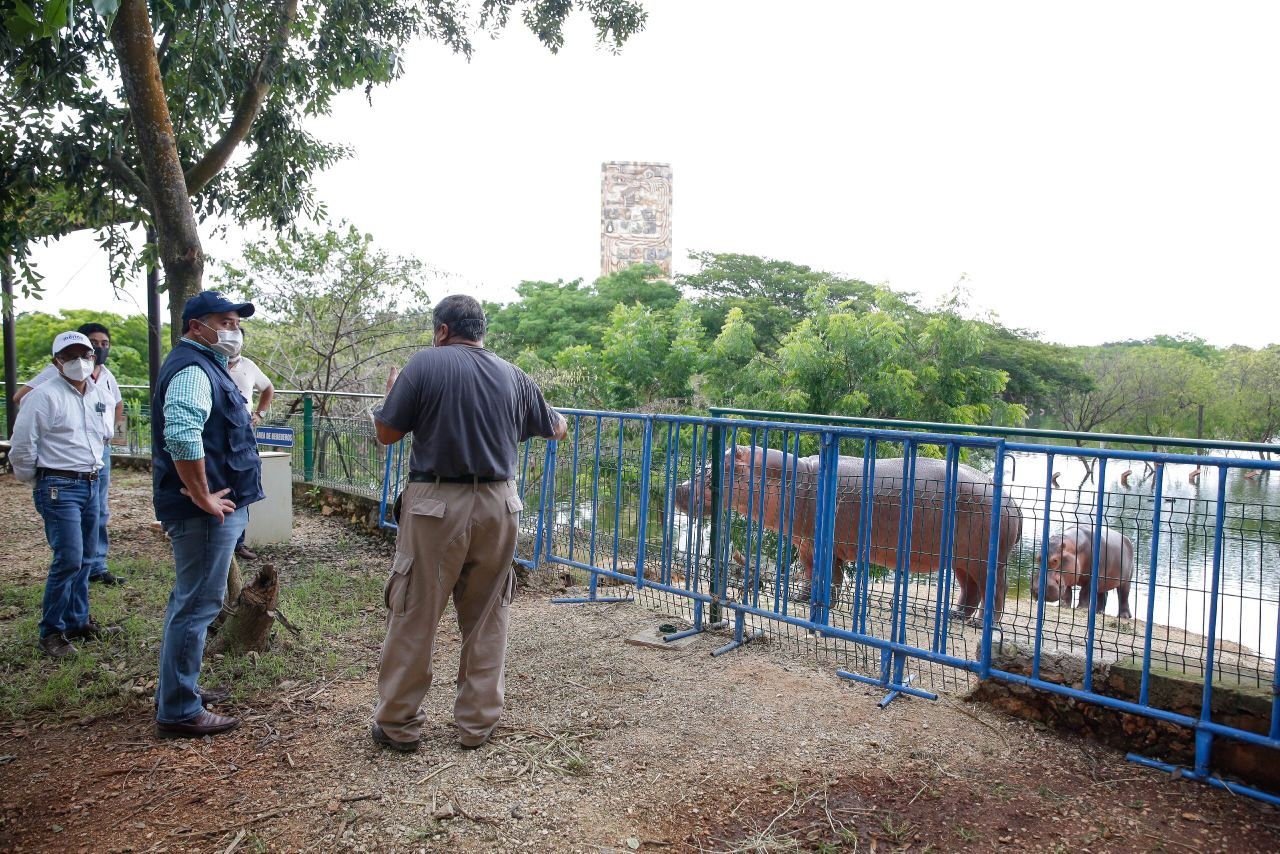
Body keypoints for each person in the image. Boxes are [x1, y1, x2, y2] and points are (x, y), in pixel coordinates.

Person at [369, 294, 568, 753]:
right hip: (501, 504)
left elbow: (387, 433)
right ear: (481, 331)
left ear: (442, 330)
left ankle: (399, 724)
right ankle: (477, 725)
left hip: (436, 505)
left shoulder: (424, 364)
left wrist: (392, 394)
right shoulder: (514, 375)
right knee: (488, 615)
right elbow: (556, 428)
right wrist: (535, 414)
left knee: (415, 611)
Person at [151, 291, 264, 739]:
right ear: (196, 326)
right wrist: (202, 496)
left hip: (209, 511)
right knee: (197, 604)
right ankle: (179, 709)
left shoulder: (207, 365)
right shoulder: (193, 369)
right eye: (225, 322)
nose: (234, 330)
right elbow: (182, 434)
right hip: (203, 516)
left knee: (193, 601)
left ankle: (180, 690)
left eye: (236, 323)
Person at [9, 331, 121, 658]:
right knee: (69, 557)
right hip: (59, 485)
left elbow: (104, 434)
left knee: (86, 556)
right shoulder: (44, 396)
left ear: (92, 357)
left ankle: (77, 621)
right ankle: (51, 631)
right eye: (69, 356)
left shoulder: (99, 393)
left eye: (83, 355)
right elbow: (22, 445)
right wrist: (37, 480)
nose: (78, 362)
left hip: (90, 482)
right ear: (56, 362)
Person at [15, 322, 126, 585]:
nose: (98, 349)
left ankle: (96, 565)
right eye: (94, 343)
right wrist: (35, 474)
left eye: (103, 344)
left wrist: (107, 436)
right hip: (60, 471)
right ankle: (70, 579)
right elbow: (23, 405)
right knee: (69, 551)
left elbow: (116, 404)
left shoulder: (105, 376)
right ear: (58, 360)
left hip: (95, 458)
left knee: (99, 512)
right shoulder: (49, 383)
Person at [226, 327, 275, 561]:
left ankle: (239, 542)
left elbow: (268, 388)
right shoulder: (211, 363)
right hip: (216, 433)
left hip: (243, 432)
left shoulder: (249, 366)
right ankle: (221, 540)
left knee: (243, 485)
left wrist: (259, 414)